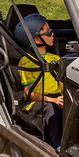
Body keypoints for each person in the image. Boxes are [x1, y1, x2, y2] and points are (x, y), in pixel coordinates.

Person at [14, 12, 63, 149]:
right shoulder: (27, 62)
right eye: (48, 33)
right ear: (36, 39)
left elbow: (61, 83)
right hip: (39, 103)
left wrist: (66, 97)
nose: (52, 34)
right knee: (52, 108)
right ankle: (58, 147)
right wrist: (51, 100)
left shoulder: (56, 58)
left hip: (57, 98)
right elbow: (29, 93)